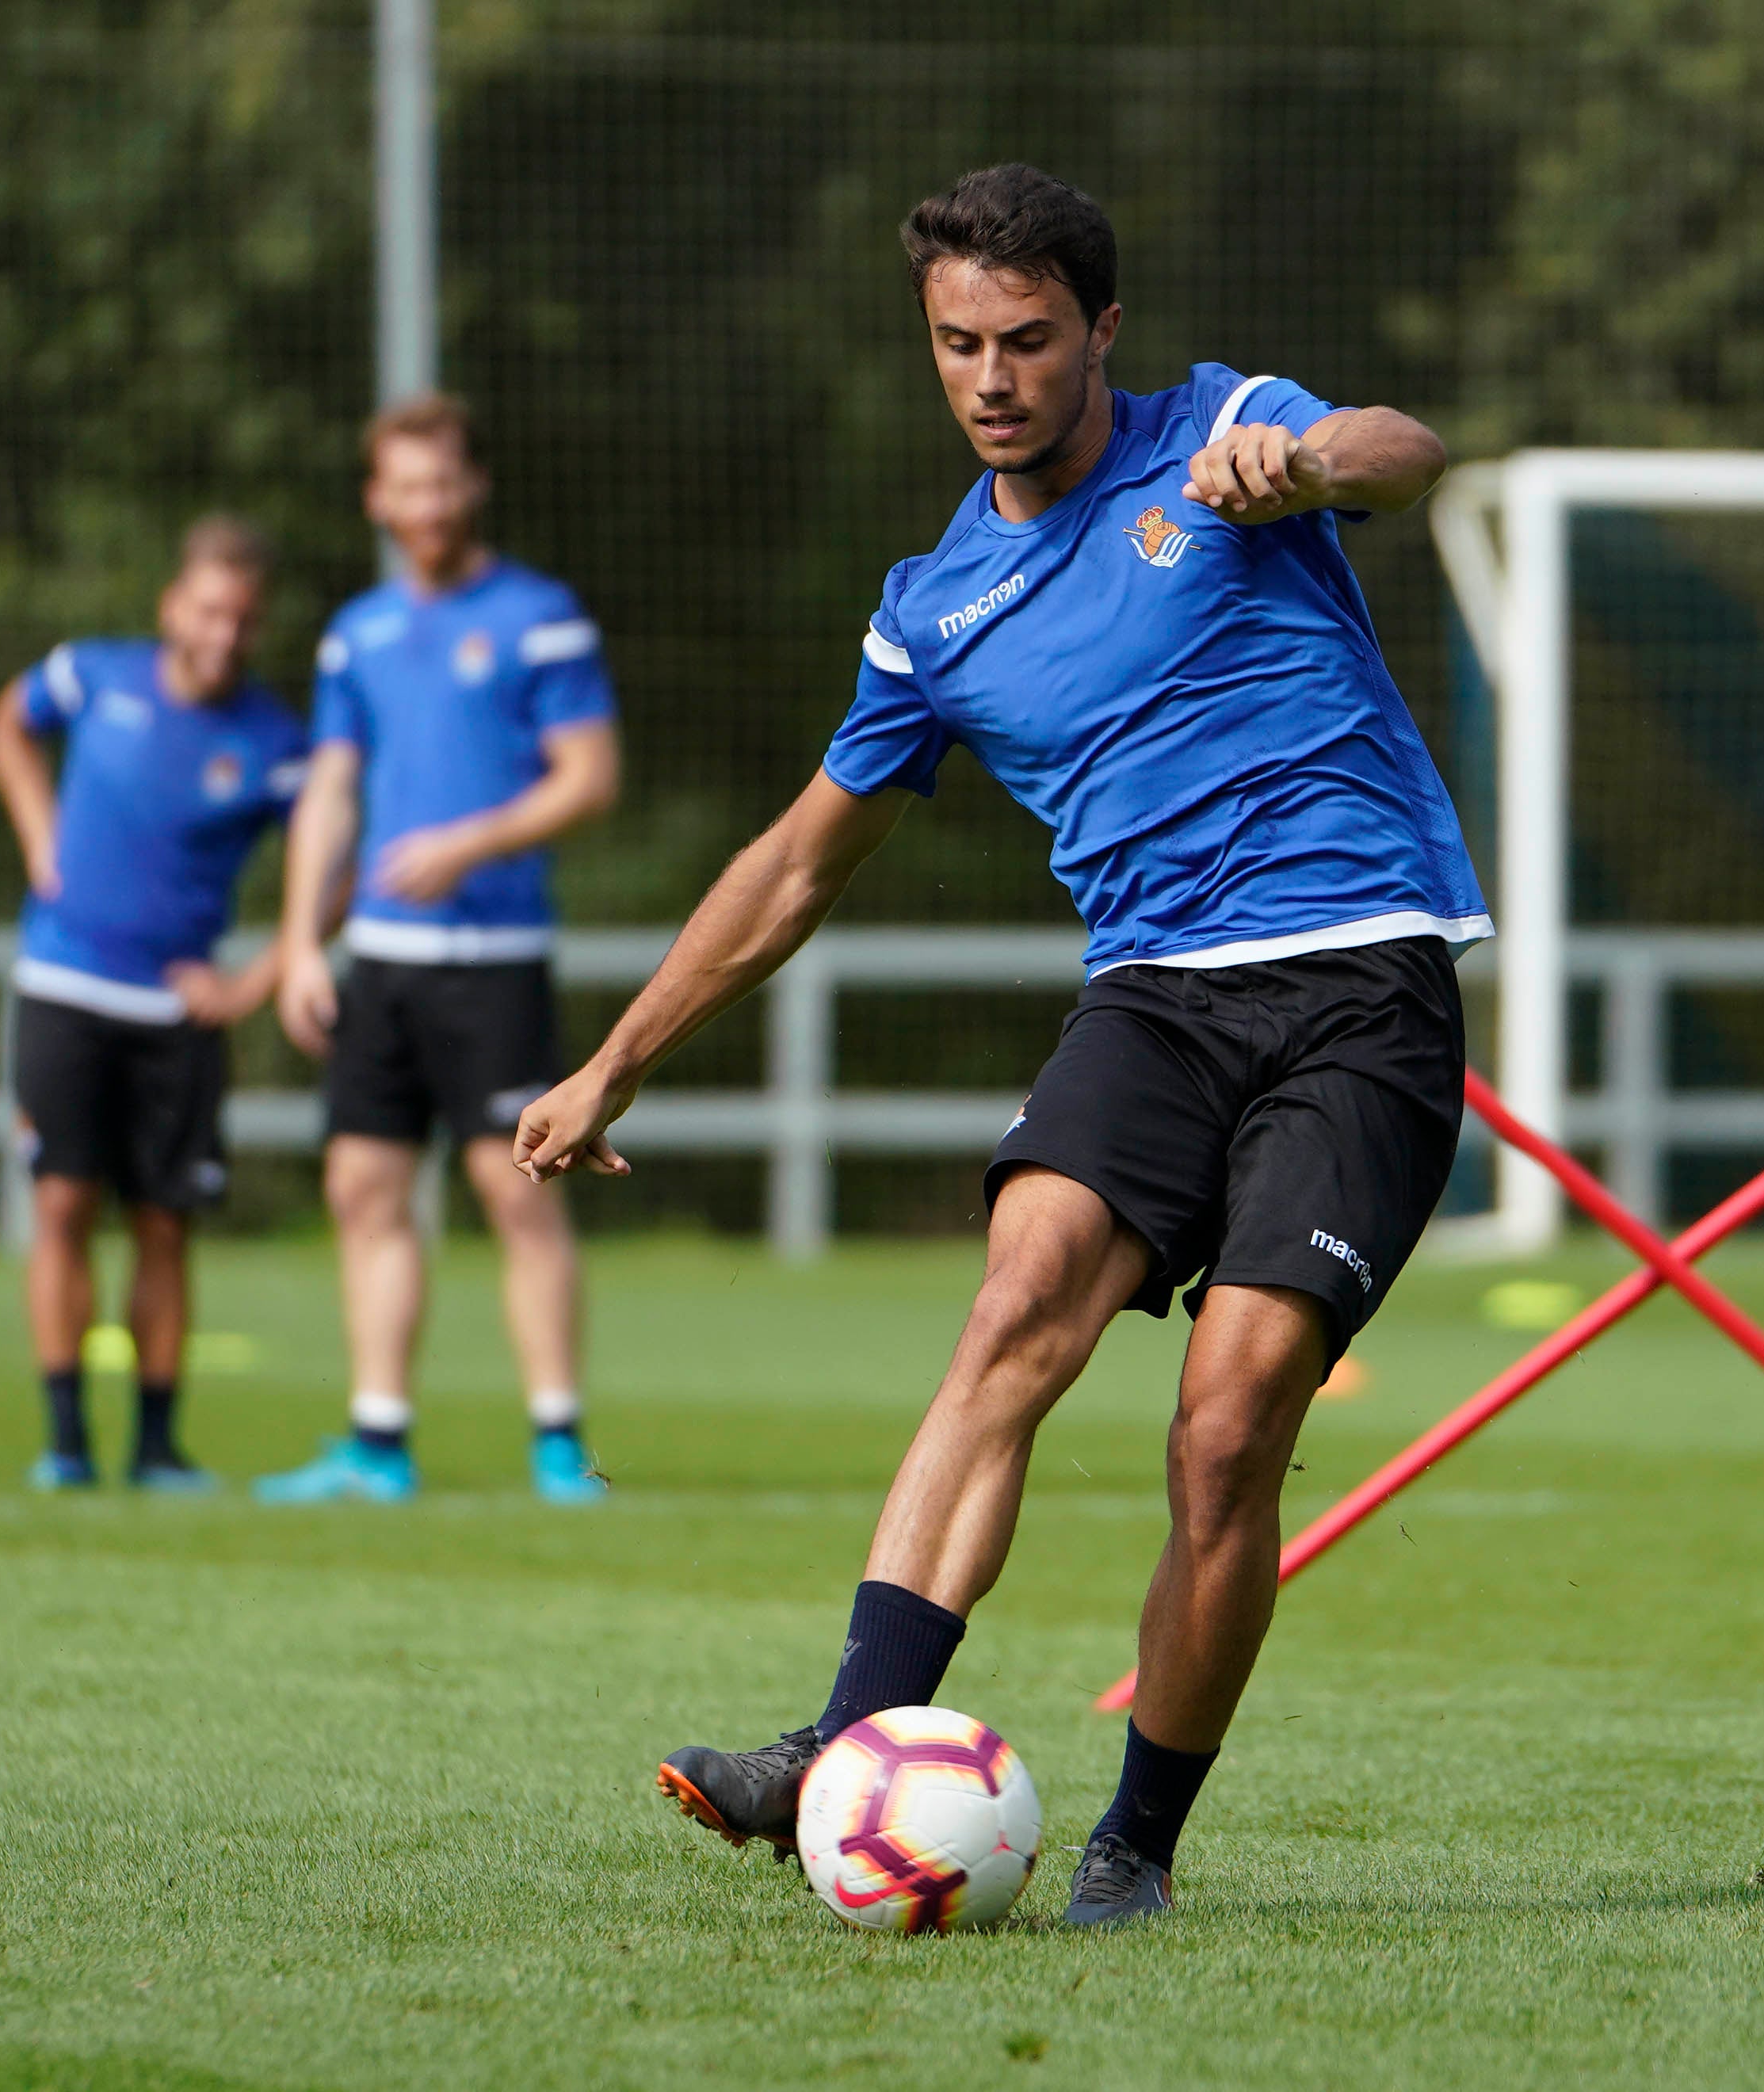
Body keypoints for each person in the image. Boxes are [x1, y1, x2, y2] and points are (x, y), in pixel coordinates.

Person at [512, 164, 1486, 1922]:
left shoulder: (1219, 434)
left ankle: (1133, 1849)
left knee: (1225, 1428)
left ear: (1099, 331)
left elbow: (1406, 449)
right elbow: (794, 865)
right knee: (1013, 1306)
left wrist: (1317, 463)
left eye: (1027, 338)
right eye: (957, 341)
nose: (990, 375)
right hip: (1157, 999)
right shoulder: (933, 609)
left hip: (1360, 987)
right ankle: (839, 1745)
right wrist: (614, 1063)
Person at [254, 394, 621, 1506]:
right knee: (363, 1186)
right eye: (402, 486)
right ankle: (378, 1441)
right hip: (381, 961)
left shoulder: (540, 616)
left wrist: (471, 841)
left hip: (494, 958)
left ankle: (559, 1443)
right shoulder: (354, 632)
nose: (424, 504)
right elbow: (329, 790)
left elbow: (590, 778)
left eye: (441, 481)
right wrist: (296, 946)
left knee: (514, 1193)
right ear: (377, 499)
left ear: (474, 485)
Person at [0, 516, 309, 1492]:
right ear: (174, 605)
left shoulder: (275, 743)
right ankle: (66, 1442)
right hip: (63, 988)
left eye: (243, 619)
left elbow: (328, 865)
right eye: (209, 609)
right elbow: (8, 723)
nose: (223, 632)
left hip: (178, 1014)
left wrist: (259, 978)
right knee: (63, 1202)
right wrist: (39, 835)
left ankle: (158, 1447)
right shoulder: (93, 676)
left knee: (164, 1222)